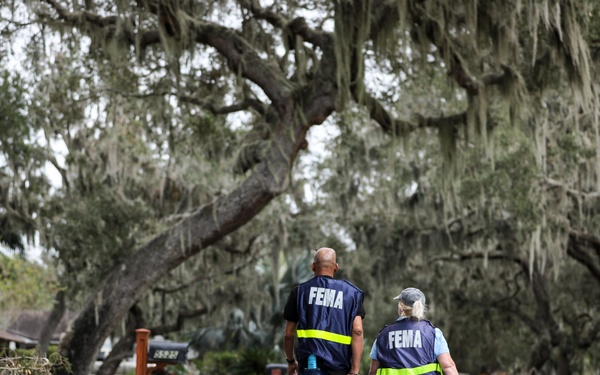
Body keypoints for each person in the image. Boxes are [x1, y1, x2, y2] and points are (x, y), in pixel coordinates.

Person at [284, 247, 365, 375]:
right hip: (340, 367)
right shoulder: (352, 293)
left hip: (310, 366)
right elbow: (358, 331)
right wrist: (354, 370)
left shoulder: (299, 292)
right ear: (336, 267)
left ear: (313, 266)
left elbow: (288, 334)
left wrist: (291, 361)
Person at [368, 287, 459, 375]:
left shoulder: (384, 335)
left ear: (401, 308)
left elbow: (373, 371)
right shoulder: (433, 333)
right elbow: (448, 366)